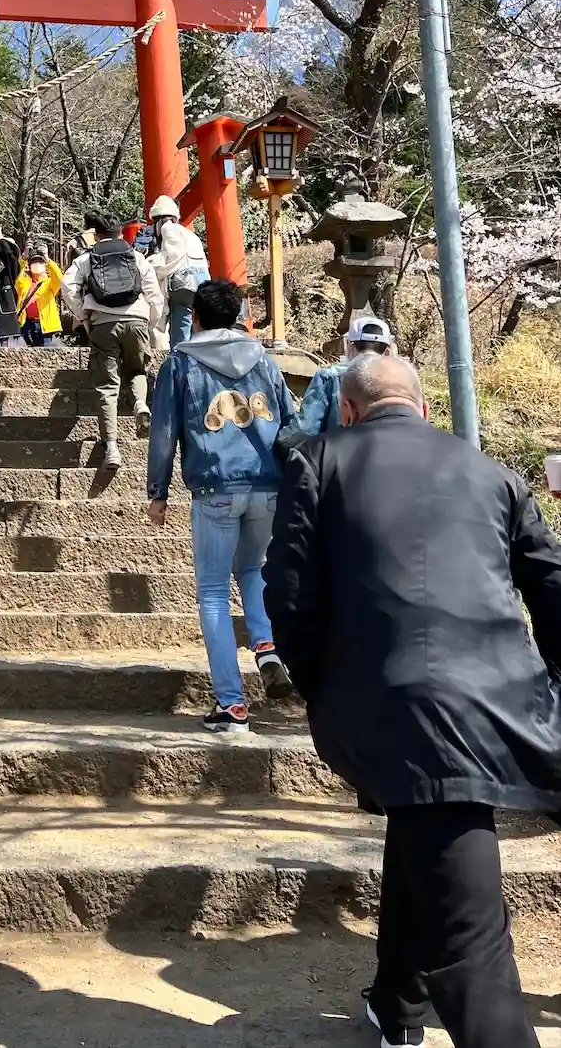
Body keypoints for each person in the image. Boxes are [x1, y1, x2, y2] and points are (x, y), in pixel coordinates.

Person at [263, 354, 561, 1048]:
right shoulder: (492, 472)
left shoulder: (317, 461)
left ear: (346, 411)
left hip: (405, 705)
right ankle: (396, 1007)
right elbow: (550, 586)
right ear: (424, 409)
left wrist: (324, 687)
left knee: (470, 942)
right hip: (507, 693)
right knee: (426, 822)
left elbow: (290, 596)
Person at [147, 276, 297, 732]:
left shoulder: (180, 363)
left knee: (213, 591)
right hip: (267, 486)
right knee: (253, 570)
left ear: (195, 317)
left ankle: (232, 705)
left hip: (215, 488)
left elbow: (164, 431)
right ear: (236, 316)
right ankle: (267, 646)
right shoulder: (264, 360)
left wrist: (158, 491)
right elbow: (290, 423)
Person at [61, 210, 162, 468]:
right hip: (137, 320)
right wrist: (149, 321)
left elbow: (67, 287)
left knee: (107, 386)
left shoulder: (87, 258)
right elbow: (154, 293)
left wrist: (83, 316)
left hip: (103, 324)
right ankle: (140, 404)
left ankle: (112, 448)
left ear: (96, 235)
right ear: (121, 234)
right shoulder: (136, 256)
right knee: (137, 369)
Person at [277, 314, 394, 450]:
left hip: (339, 460)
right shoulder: (400, 384)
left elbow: (305, 429)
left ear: (348, 348)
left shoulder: (329, 377)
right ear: (387, 353)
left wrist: (279, 443)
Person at [145, 194, 210, 349]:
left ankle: (179, 358)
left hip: (184, 284)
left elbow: (170, 259)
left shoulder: (167, 228)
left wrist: (148, 263)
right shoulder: (189, 234)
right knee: (197, 327)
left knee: (181, 330)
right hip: (203, 283)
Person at [15, 244, 64, 347]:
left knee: (47, 353)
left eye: (40, 262)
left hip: (45, 326)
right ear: (29, 265)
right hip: (26, 325)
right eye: (34, 262)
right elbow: (17, 278)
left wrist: (47, 258)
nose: (37, 264)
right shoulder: (24, 282)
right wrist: (23, 259)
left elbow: (59, 277)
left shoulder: (50, 283)